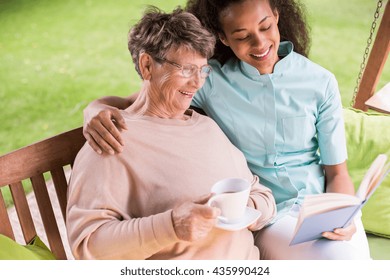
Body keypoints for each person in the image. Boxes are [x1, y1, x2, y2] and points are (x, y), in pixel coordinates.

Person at [82, 0, 371, 259]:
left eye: (266, 26)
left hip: (325, 206)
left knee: (358, 261)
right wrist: (93, 110)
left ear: (277, 16)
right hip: (269, 218)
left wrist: (341, 215)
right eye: (242, 36)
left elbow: (337, 174)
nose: (259, 44)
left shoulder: (320, 82)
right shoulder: (210, 81)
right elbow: (142, 100)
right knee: (344, 263)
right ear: (223, 38)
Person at [66, 6, 276, 260]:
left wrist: (246, 209)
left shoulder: (206, 127)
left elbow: (261, 194)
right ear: (147, 66)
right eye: (187, 69)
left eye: (203, 70)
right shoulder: (112, 137)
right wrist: (171, 226)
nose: (197, 82)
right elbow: (87, 246)